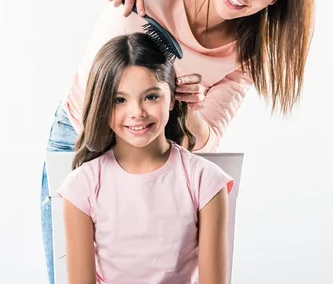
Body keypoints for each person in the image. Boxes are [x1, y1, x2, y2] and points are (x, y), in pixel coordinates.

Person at [9, 0, 315, 284]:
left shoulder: (245, 56)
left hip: (152, 167)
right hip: (79, 141)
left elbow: (207, 139)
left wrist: (194, 109)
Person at [57, 32, 233, 283]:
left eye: (151, 96)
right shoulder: (83, 186)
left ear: (172, 97)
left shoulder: (205, 180)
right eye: (119, 100)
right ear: (102, 105)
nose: (137, 112)